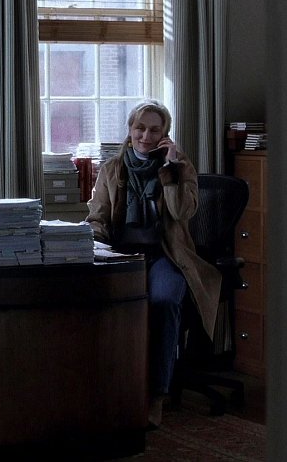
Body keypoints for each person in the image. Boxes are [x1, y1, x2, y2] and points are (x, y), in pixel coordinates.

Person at [85, 99, 221, 428]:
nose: (146, 136)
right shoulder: (112, 169)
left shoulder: (180, 168)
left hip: (165, 255)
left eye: (154, 130)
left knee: (163, 302)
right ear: (130, 130)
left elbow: (182, 212)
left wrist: (171, 171)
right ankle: (110, 388)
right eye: (140, 128)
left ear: (165, 135)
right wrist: (92, 243)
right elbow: (97, 217)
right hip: (122, 255)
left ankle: (156, 395)